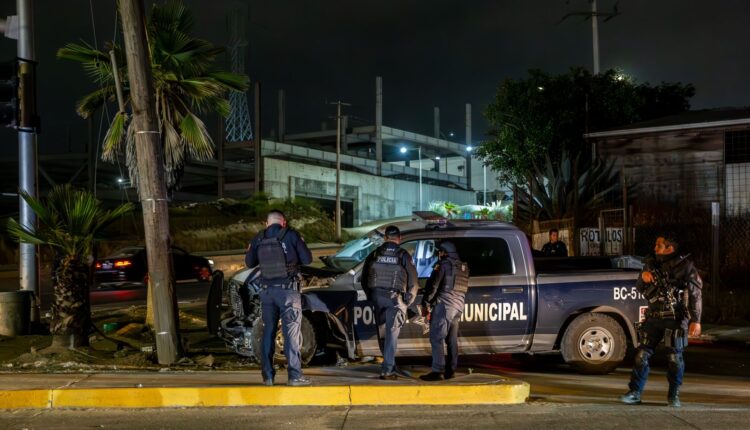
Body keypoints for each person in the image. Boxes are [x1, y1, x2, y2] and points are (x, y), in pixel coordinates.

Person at [620, 234, 702, 407]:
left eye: (659, 246)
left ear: (669, 248)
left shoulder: (685, 266)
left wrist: (696, 320)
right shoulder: (651, 263)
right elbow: (640, 287)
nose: (654, 249)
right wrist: (644, 278)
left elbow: (695, 294)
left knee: (674, 357)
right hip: (653, 317)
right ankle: (635, 392)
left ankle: (674, 395)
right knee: (641, 355)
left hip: (675, 318)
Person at [245, 210, 313, 387]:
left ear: (266, 223)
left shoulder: (258, 238)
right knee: (291, 333)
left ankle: (267, 376)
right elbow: (307, 259)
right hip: (288, 293)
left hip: (267, 293)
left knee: (268, 332)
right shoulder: (291, 235)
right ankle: (294, 376)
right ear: (283, 222)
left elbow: (249, 263)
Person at [361, 225, 419, 379]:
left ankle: (389, 364)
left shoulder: (374, 254)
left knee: (382, 333)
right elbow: (414, 283)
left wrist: (371, 296)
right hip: (395, 299)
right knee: (392, 334)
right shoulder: (403, 255)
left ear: (385, 238)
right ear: (398, 239)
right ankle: (388, 369)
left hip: (377, 298)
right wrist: (408, 302)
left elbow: (364, 279)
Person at [419, 241, 469, 381]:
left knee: (436, 337)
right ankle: (450, 370)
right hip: (458, 306)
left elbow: (433, 286)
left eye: (439, 252)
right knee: (452, 339)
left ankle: (437, 371)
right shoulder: (462, 267)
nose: (438, 255)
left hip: (445, 306)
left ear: (444, 252)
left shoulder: (444, 265)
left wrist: (426, 303)